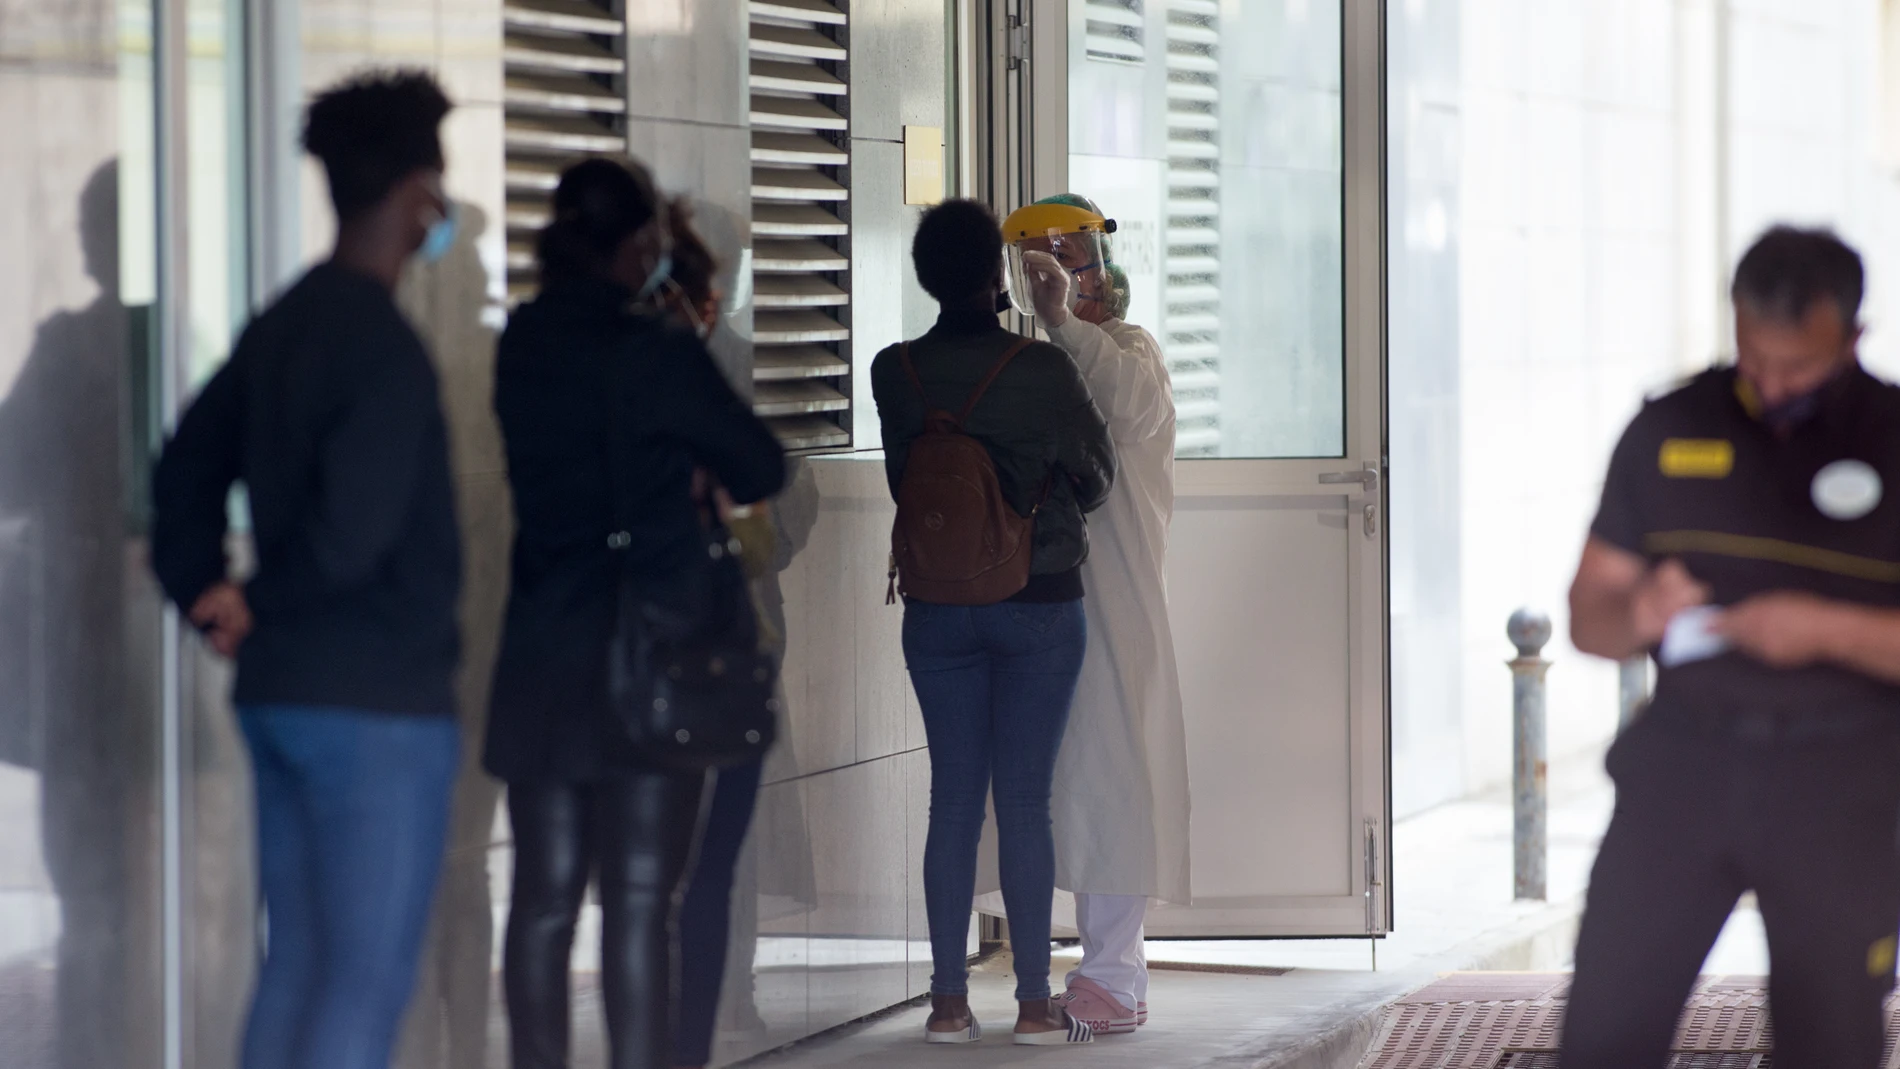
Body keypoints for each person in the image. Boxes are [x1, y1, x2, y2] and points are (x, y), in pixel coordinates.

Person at [149, 71, 464, 1069]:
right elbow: (357, 532)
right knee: (363, 983)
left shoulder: (279, 328)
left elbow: (185, 464)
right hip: (374, 707)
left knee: (298, 965)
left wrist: (206, 593)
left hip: (281, 692)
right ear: (416, 191)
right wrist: (245, 594)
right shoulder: (384, 348)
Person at [1562, 226, 1900, 1068]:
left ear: (1853, 338)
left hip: (1846, 784)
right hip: (1682, 771)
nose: (1774, 385)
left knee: (1832, 1042)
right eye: (1756, 361)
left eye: (1801, 368)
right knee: (1606, 1026)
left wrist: (1821, 629)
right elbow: (1587, 617)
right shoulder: (1667, 426)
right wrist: (1637, 608)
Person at [485, 157, 785, 1069]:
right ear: (639, 244)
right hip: (655, 650)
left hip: (542, 645)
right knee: (641, 898)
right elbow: (760, 466)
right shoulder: (657, 350)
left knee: (541, 900)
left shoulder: (521, 343)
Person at [872, 198, 1115, 1047]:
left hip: (937, 608)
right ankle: (1037, 1005)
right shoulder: (1040, 370)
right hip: (1039, 600)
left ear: (926, 276)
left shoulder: (891, 370)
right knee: (1025, 804)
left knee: (951, 804)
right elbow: (1097, 477)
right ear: (994, 274)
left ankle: (946, 1003)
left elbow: (910, 478)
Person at [1003, 194, 1191, 1034]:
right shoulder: (1025, 360)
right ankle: (1083, 968)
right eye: (1036, 261)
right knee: (1060, 780)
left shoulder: (1128, 351)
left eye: (1070, 258)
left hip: (1112, 600)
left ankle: (1115, 974)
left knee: (1112, 776)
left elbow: (1118, 402)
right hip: (1038, 598)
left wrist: (1062, 323)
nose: (1055, 276)